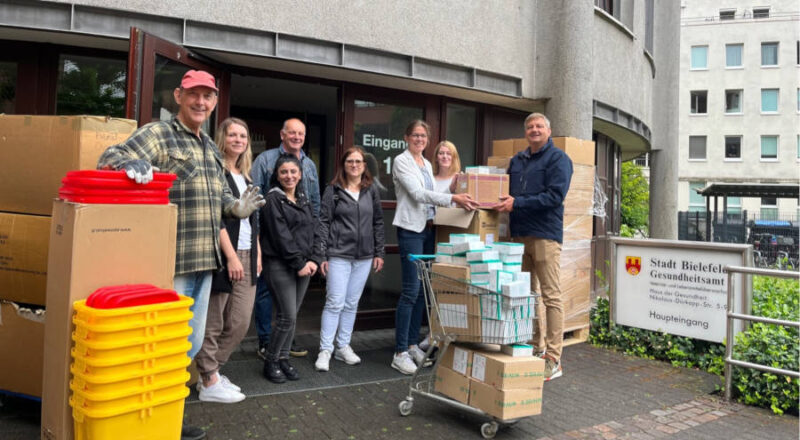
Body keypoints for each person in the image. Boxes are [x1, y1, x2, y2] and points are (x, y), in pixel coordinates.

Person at [97, 70, 264, 440]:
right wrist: (128, 165)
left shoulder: (207, 146)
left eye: (208, 96)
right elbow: (109, 156)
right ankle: (146, 420)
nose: (200, 102)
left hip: (205, 262)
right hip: (171, 261)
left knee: (185, 346)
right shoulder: (160, 133)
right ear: (178, 96)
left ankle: (167, 417)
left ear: (215, 101)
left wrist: (235, 208)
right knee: (160, 344)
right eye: (194, 95)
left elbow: (218, 197)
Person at [391, 120, 478, 375]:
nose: (419, 139)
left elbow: (431, 197)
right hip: (410, 229)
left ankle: (410, 344)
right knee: (410, 291)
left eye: (423, 136)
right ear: (407, 137)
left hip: (428, 229)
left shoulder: (427, 164)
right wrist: (453, 198)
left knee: (421, 292)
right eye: (415, 135)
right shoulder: (402, 161)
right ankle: (399, 352)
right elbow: (418, 194)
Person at [493, 112, 573, 381]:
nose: (534, 130)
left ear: (548, 131)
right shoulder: (517, 160)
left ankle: (553, 357)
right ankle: (535, 347)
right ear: (525, 132)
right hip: (519, 235)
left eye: (539, 126)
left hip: (545, 236)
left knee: (551, 296)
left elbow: (554, 196)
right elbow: (504, 191)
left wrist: (518, 203)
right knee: (528, 295)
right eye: (530, 127)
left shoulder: (559, 159)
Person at [194, 118, 260, 403]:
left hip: (248, 254)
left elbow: (252, 218)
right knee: (213, 321)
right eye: (232, 134)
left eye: (243, 135)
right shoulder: (216, 171)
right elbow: (217, 218)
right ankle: (209, 378)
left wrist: (257, 254)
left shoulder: (246, 176)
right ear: (222, 138)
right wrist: (232, 257)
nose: (238, 139)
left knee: (240, 322)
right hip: (223, 254)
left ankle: (210, 373)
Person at [251, 118, 320, 360]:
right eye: (292, 133)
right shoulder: (265, 160)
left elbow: (315, 205)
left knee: (289, 307)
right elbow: (255, 202)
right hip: (272, 243)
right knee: (265, 293)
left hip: (300, 246)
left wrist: (314, 253)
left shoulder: (309, 165)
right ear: (282, 134)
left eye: (301, 133)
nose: (297, 137)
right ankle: (265, 341)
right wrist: (258, 240)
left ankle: (282, 345)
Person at [314, 147, 385, 372]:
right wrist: (322, 254)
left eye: (358, 161)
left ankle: (343, 346)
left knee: (351, 303)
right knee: (335, 302)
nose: (354, 165)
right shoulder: (333, 190)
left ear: (364, 166)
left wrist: (379, 252)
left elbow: (378, 222)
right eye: (350, 161)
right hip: (338, 254)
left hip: (364, 256)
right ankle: (325, 350)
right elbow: (323, 222)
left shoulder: (371, 190)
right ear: (344, 165)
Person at [260, 154, 321, 383]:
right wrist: (299, 263)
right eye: (284, 172)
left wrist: (315, 258)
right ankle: (271, 361)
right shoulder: (273, 199)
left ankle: (284, 359)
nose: (289, 176)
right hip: (280, 264)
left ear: (300, 174)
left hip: (305, 265)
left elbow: (314, 229)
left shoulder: (303, 198)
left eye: (293, 172)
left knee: (292, 316)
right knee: (286, 316)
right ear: (277, 174)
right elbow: (280, 236)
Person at [417, 140, 462, 353]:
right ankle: (430, 332)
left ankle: (437, 333)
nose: (444, 157)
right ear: (435, 157)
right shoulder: (431, 179)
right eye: (441, 153)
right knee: (429, 285)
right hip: (430, 232)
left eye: (448, 154)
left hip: (449, 235)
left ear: (454, 158)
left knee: (444, 285)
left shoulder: (459, 179)